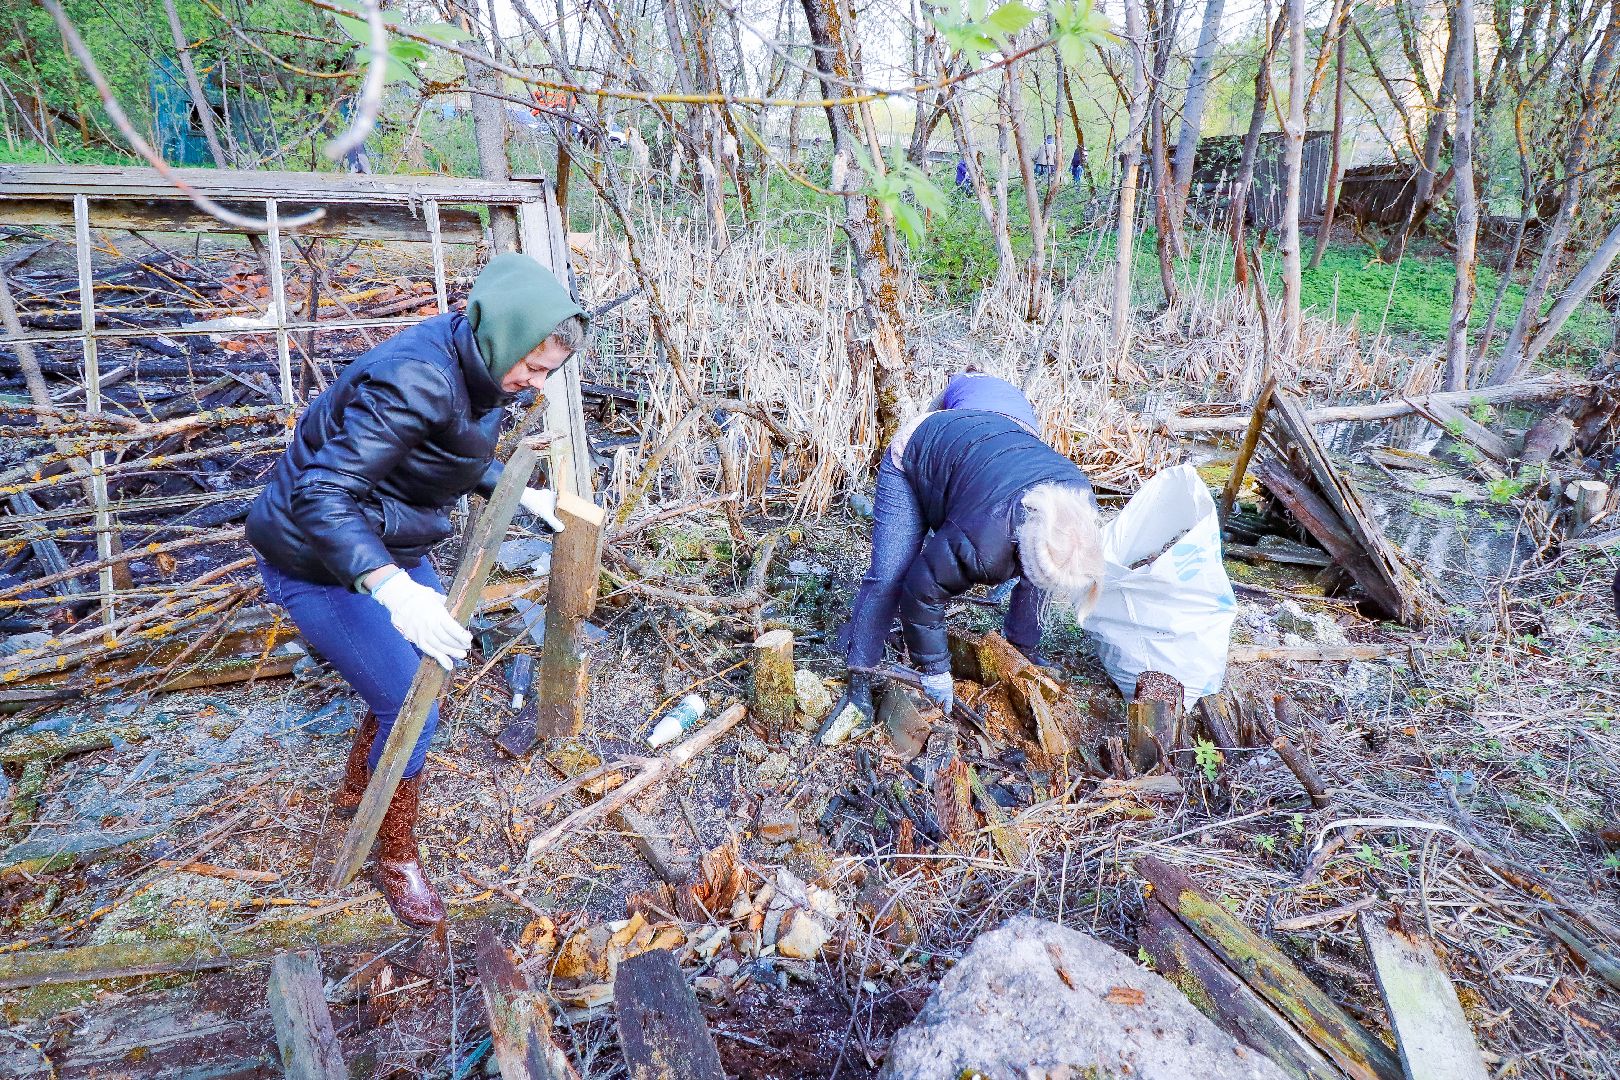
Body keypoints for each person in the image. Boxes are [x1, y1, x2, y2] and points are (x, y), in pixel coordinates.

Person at [246, 253, 585, 927]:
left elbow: (445, 447)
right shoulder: (413, 377)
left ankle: (358, 788)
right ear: (504, 334)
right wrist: (394, 590)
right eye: (534, 366)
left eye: (547, 373)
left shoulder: (477, 366)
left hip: (382, 539)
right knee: (414, 703)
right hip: (315, 555)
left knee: (425, 671)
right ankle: (393, 852)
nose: (534, 384)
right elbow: (321, 494)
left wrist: (517, 493)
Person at [837, 371, 1105, 723]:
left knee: (1041, 570)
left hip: (987, 450)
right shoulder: (984, 540)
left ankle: (1020, 649)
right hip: (920, 449)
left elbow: (1039, 577)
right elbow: (922, 590)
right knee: (891, 576)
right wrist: (934, 669)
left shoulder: (1079, 510)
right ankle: (860, 675)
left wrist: (1016, 656)